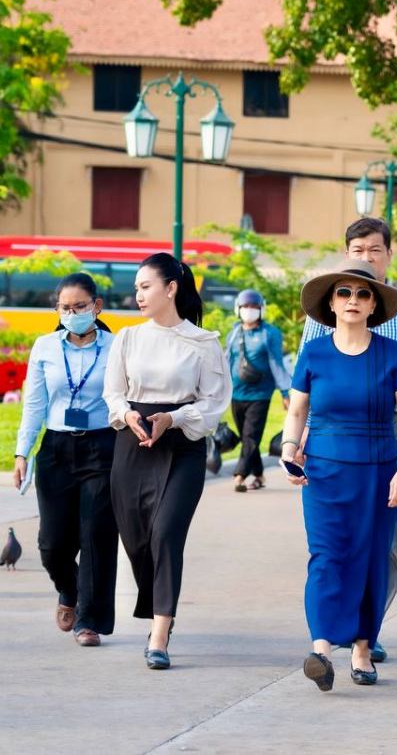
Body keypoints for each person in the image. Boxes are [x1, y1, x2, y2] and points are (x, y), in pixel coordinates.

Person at [299, 217, 397, 664]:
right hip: (332, 437)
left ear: (389, 255)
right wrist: (302, 438)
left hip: (390, 436)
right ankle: (336, 632)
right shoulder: (328, 307)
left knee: (380, 545)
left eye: (375, 250)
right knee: (333, 544)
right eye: (358, 250)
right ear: (346, 254)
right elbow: (308, 380)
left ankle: (367, 632)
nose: (366, 257)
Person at [282, 260, 397, 691]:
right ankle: (321, 649)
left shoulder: (392, 354)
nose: (353, 300)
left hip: (378, 472)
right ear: (331, 303)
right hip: (323, 472)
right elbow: (297, 409)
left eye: (362, 294)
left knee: (371, 559)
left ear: (374, 304)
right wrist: (288, 449)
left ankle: (362, 648)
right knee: (325, 557)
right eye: (344, 292)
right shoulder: (314, 352)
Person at [103, 253, 231, 670]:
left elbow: (214, 404)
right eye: (136, 288)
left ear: (171, 289)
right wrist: (127, 416)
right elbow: (113, 393)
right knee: (137, 538)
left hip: (182, 445)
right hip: (133, 442)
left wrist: (173, 419)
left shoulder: (204, 343)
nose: (138, 295)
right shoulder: (127, 338)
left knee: (165, 534)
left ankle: (160, 631)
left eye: (145, 287)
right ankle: (159, 602)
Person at [13, 273, 118, 647]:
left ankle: (88, 621)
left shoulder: (117, 347)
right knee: (52, 544)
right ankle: (69, 589)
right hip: (56, 449)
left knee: (95, 536)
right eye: (65, 308)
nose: (72, 314)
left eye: (80, 307)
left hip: (103, 447)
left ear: (97, 306)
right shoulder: (44, 347)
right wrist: (22, 451)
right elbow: (34, 404)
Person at [226, 288, 291, 492]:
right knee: (246, 435)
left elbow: (277, 364)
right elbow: (227, 361)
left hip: (260, 394)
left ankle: (239, 475)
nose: (249, 310)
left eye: (254, 306)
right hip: (236, 393)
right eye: (245, 306)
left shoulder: (269, 333)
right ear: (238, 309)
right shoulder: (234, 333)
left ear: (261, 309)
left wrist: (285, 392)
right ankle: (260, 475)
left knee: (250, 435)